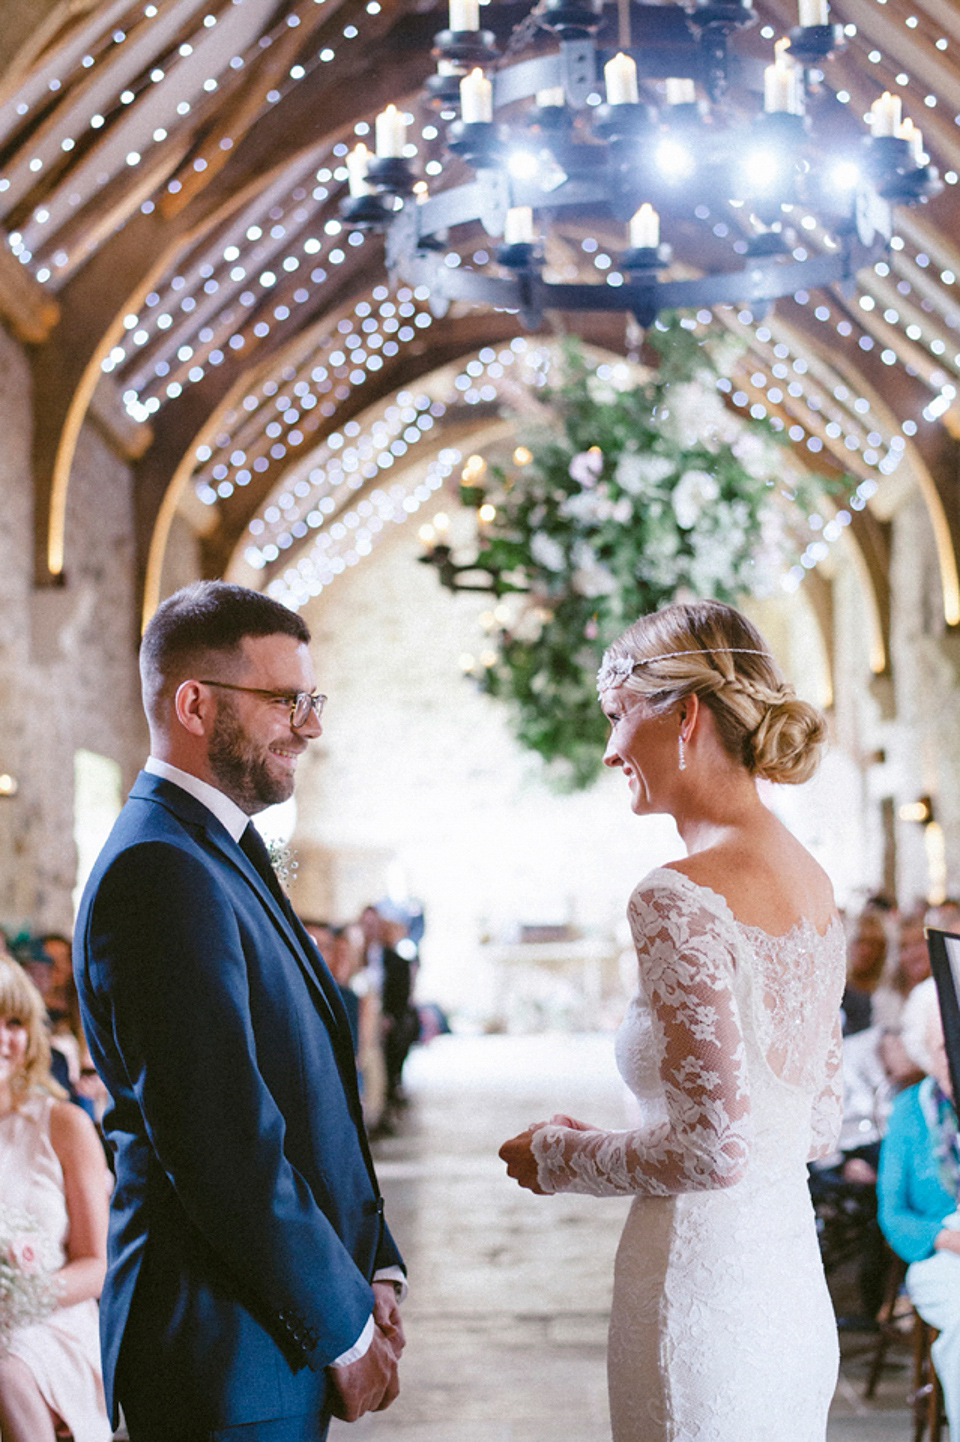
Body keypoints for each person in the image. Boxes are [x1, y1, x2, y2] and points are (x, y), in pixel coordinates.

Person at [499, 599, 845, 1442]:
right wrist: (645, 1128)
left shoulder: (677, 894)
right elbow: (816, 1127)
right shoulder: (812, 880)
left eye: (618, 716)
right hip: (790, 1293)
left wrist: (559, 1156)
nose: (612, 748)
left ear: (684, 715)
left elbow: (711, 1147)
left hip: (701, 1305)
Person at [74, 581, 405, 1442]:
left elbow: (308, 1084)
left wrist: (372, 1267)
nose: (311, 725)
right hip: (220, 1344)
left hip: (262, 1324)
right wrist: (340, 1323)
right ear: (194, 703)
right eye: (287, 701)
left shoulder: (216, 849)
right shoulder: (161, 869)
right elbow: (223, 1140)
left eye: (313, 699)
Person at [0, 957, 111, 1442]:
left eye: (14, 1023)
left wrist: (22, 1295)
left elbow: (96, 1264)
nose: (5, 1039)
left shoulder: (64, 1125)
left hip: (53, 1324)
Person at [877, 977, 960, 1441]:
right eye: (944, 1045)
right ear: (926, 1048)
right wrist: (946, 1238)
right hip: (942, 1257)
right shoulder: (911, 1111)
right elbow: (893, 1214)